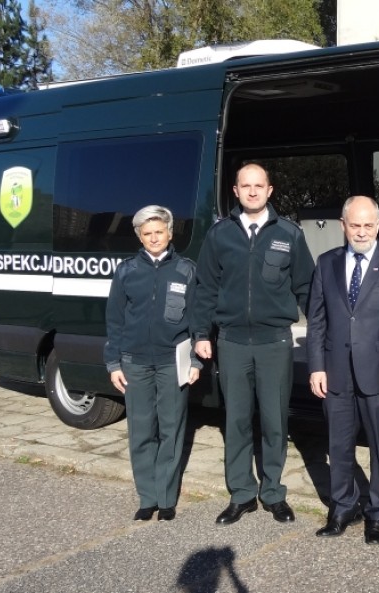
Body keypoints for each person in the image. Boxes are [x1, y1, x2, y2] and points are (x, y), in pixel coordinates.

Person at [191, 163, 315, 526]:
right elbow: (205, 288)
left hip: (274, 342)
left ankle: (273, 492)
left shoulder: (289, 234)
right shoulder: (220, 234)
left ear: (270, 190)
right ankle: (242, 494)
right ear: (236, 191)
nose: (252, 191)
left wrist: (324, 334)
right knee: (237, 421)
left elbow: (306, 287)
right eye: (246, 186)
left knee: (275, 421)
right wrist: (201, 334)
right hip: (232, 342)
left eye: (259, 186)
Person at [306, 195, 379, 545]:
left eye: (368, 225)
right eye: (355, 225)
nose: (361, 232)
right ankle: (343, 507)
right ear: (343, 225)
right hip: (336, 371)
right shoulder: (326, 263)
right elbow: (317, 321)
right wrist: (316, 367)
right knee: (338, 445)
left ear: (378, 226)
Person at [104, 205, 201, 522]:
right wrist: (113, 363)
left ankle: (167, 498)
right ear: (140, 237)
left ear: (170, 234)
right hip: (135, 363)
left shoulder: (186, 270)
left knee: (171, 430)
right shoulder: (126, 271)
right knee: (141, 430)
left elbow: (197, 318)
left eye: (159, 232)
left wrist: (196, 360)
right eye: (147, 233)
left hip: (172, 362)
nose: (154, 238)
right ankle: (148, 497)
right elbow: (115, 320)